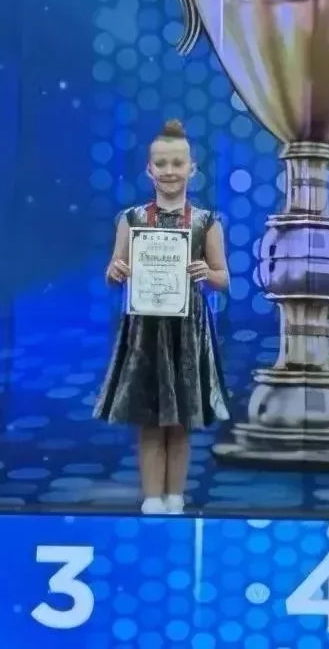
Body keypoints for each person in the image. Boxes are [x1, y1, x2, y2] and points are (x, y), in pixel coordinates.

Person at [95, 119, 230, 515]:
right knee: (149, 419)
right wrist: (116, 271)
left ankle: (176, 497)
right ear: (149, 170)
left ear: (192, 169)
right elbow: (112, 273)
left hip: (187, 332)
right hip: (145, 331)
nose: (169, 171)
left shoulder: (206, 221)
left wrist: (207, 273)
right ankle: (152, 498)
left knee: (181, 419)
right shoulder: (131, 219)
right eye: (161, 163)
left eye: (177, 163)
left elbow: (223, 278)